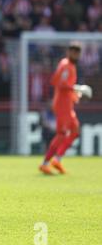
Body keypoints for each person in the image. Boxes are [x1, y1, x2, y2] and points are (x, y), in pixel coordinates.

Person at [39, 42, 92, 175]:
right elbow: (58, 83)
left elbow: (63, 86)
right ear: (68, 52)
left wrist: (75, 94)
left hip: (68, 104)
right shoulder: (66, 65)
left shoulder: (70, 66)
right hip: (62, 106)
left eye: (77, 52)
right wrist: (76, 88)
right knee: (61, 134)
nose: (75, 54)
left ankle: (57, 159)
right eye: (73, 52)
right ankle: (45, 163)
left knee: (75, 131)